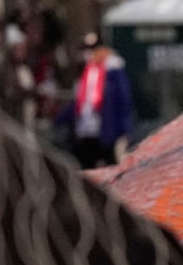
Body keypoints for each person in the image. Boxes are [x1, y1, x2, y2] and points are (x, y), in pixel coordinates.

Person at [56, 31, 136, 168]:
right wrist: (60, 119)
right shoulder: (85, 71)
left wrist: (125, 131)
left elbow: (123, 101)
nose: (89, 53)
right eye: (86, 49)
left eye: (92, 49)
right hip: (85, 131)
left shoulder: (113, 70)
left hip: (106, 132)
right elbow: (80, 101)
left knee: (110, 168)